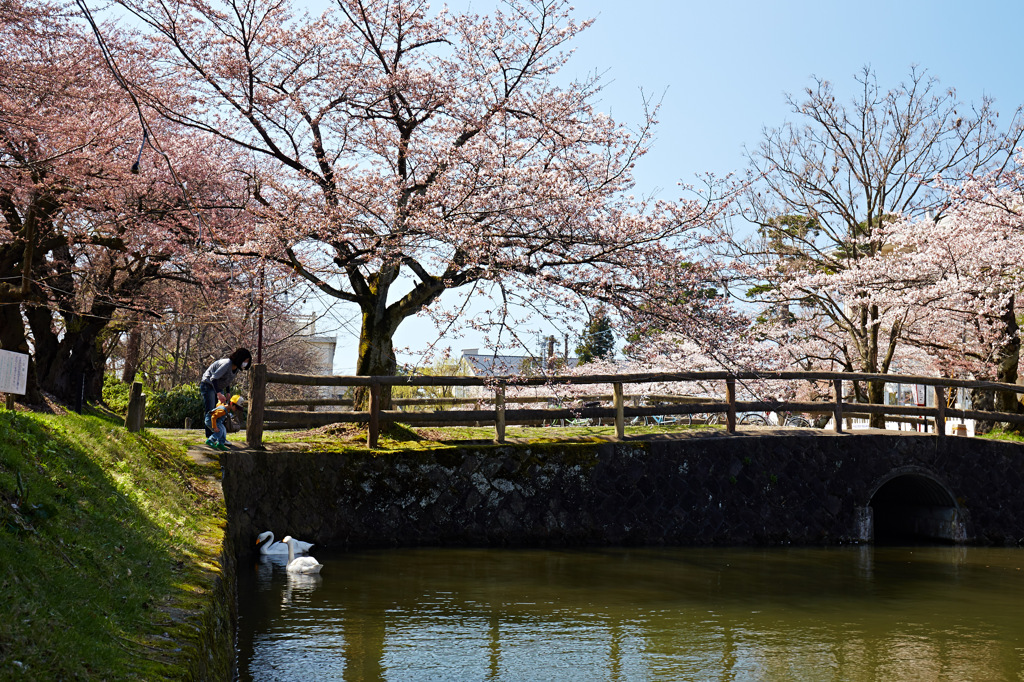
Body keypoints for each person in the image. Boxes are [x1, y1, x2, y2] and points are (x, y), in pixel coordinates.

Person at [200, 348, 252, 437]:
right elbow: (214, 378)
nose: (245, 363)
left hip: (217, 387)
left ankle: (218, 435)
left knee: (220, 411)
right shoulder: (227, 364)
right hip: (208, 384)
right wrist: (219, 394)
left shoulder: (236, 368)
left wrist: (228, 392)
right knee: (211, 411)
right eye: (245, 360)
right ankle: (210, 435)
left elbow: (227, 380)